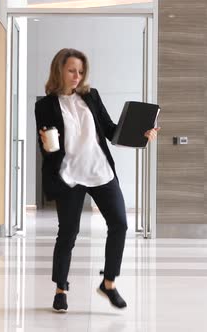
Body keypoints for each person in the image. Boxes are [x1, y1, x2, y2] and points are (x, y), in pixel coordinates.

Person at [35, 48, 159, 313]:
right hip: (69, 175)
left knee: (120, 224)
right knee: (68, 233)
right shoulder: (44, 105)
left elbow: (112, 130)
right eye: (71, 70)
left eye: (80, 71)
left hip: (101, 171)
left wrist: (142, 135)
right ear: (59, 70)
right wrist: (46, 143)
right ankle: (61, 289)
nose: (77, 76)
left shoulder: (91, 96)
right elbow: (48, 144)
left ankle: (109, 283)